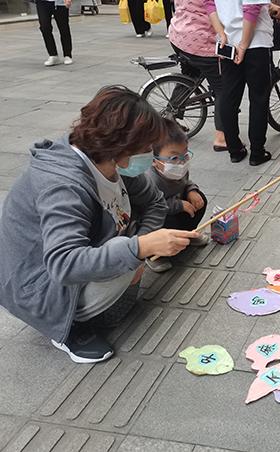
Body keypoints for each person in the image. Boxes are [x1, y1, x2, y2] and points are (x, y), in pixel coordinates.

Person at [0, 86, 200, 364]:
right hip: (37, 286)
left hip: (88, 249)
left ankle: (98, 295)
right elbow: (63, 263)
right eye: (146, 148)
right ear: (121, 145)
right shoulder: (64, 185)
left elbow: (155, 202)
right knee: (124, 249)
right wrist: (138, 248)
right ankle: (68, 327)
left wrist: (143, 242)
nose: (149, 154)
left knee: (129, 248)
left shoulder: (111, 160)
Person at [214, 1, 280, 166]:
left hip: (229, 42)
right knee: (259, 98)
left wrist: (222, 34)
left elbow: (209, 5)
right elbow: (251, 7)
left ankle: (234, 150)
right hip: (255, 42)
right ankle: (257, 152)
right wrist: (243, 46)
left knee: (229, 98)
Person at [145, 119, 210, 273]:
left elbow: (186, 182)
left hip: (177, 205)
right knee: (165, 220)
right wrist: (179, 205)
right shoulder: (150, 179)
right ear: (154, 160)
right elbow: (150, 205)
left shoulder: (179, 166)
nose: (181, 162)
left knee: (200, 200)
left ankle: (187, 235)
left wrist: (191, 191)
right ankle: (154, 253)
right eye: (174, 158)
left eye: (185, 155)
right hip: (158, 213)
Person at [169, 0, 227, 151]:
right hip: (201, 40)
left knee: (190, 75)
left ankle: (169, 118)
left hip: (178, 34)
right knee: (223, 88)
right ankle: (221, 137)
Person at [36, 0, 73, 66]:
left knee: (64, 28)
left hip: (60, 3)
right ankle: (53, 54)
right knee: (44, 27)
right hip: (42, 2)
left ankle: (67, 55)